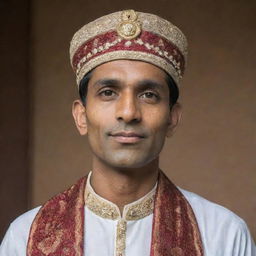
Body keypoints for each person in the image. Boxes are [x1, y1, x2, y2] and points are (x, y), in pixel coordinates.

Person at [0, 9, 255, 256]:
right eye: (108, 92)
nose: (129, 112)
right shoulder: (25, 236)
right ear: (81, 116)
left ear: (172, 118)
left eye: (148, 95)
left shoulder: (223, 234)